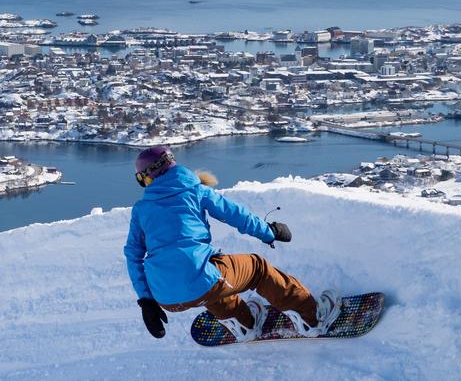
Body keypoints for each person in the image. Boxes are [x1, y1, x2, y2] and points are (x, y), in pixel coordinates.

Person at [123, 145, 340, 341]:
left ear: (150, 176)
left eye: (144, 179)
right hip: (198, 281)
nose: (146, 185)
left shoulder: (141, 209)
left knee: (208, 271)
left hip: (165, 298)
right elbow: (236, 215)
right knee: (256, 268)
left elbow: (133, 255)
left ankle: (243, 322)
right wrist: (269, 232)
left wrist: (147, 302)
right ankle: (312, 316)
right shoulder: (195, 191)